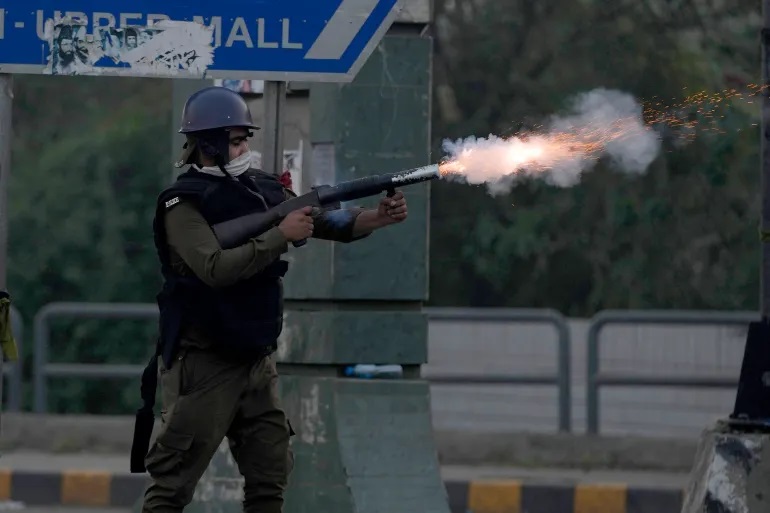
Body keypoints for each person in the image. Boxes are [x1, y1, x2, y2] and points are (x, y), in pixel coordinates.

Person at [131, 86, 409, 513]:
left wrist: (375, 217)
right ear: (209, 145)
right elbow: (214, 269)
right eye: (236, 140)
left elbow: (324, 221)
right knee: (172, 487)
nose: (245, 148)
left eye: (245, 139)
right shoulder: (181, 203)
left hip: (256, 360)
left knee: (269, 480)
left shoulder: (260, 186)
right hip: (204, 361)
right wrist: (280, 237)